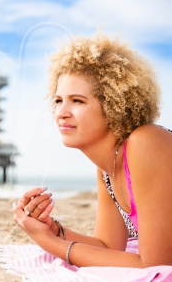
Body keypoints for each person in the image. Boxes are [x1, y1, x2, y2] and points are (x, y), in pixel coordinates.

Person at [13, 31, 172, 268]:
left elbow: (157, 265)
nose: (62, 112)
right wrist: (52, 229)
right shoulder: (108, 168)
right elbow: (107, 247)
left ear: (115, 107)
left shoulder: (146, 142)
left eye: (77, 101)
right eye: (58, 100)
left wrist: (49, 243)